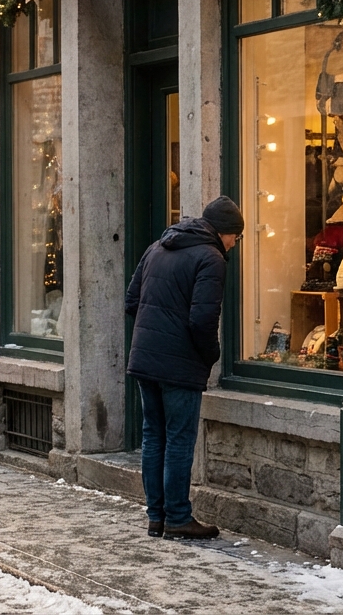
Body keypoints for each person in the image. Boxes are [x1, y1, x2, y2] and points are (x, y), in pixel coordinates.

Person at [125, 196, 243, 540]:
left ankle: (156, 517)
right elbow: (203, 320)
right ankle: (177, 517)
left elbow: (132, 301)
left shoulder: (157, 247)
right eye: (235, 236)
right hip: (180, 364)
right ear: (224, 232)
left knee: (153, 435)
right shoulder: (211, 258)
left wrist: (156, 333)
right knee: (178, 439)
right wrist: (211, 355)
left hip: (145, 357)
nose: (235, 243)